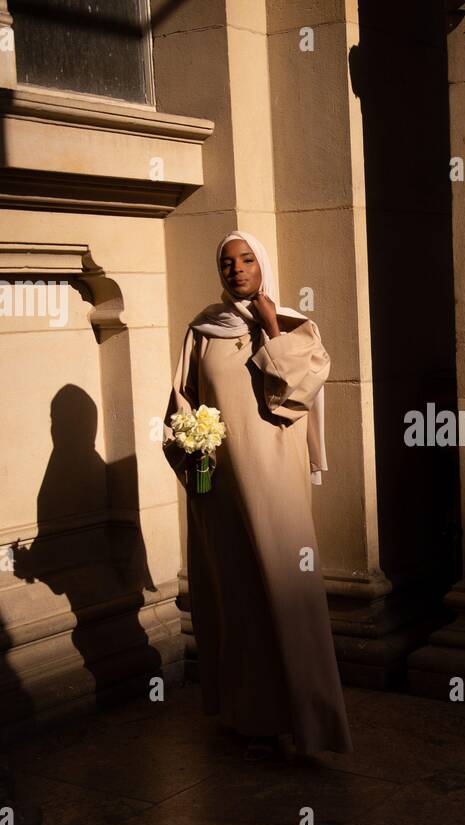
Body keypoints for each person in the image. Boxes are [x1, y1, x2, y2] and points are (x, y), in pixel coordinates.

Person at [163, 230, 352, 760]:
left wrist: (270, 326)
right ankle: (249, 718)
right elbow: (184, 402)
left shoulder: (294, 325)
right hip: (219, 486)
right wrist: (195, 463)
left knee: (287, 592)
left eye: (246, 260)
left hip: (275, 479)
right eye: (227, 262)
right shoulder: (203, 330)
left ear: (262, 263)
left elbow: (297, 395)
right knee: (235, 595)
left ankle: (309, 722)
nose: (236, 269)